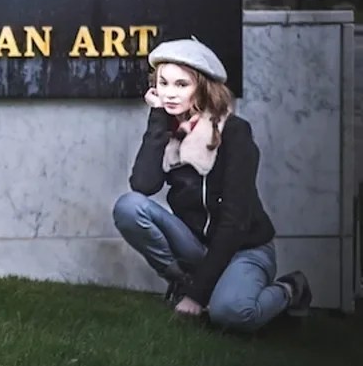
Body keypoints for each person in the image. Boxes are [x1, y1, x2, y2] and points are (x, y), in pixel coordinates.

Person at [112, 36, 312, 332]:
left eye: (181, 85)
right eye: (163, 83)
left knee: (231, 314)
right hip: (196, 246)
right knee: (129, 207)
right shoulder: (168, 131)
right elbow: (143, 185)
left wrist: (198, 297)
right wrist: (156, 119)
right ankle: (183, 282)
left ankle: (290, 289)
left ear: (203, 87)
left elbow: (234, 222)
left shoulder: (234, 132)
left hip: (245, 248)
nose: (169, 93)